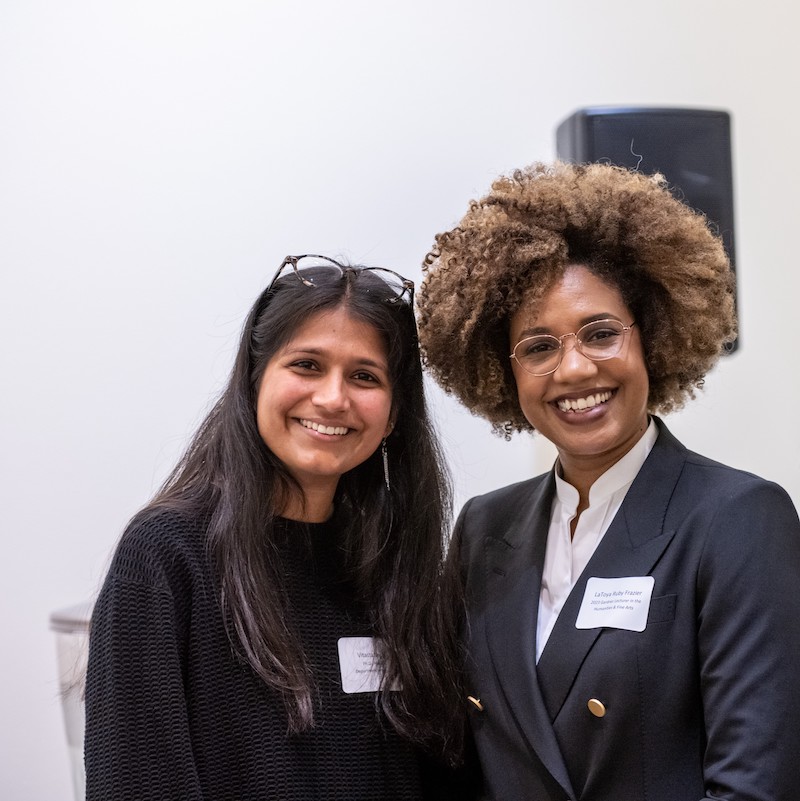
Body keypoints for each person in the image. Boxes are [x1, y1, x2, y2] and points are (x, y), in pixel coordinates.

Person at [417, 163, 800, 801]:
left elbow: (754, 785)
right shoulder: (483, 528)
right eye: (538, 347)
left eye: (600, 334)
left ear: (650, 339)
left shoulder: (739, 518)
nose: (573, 369)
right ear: (501, 372)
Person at [84, 254, 467, 801]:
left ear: (395, 413)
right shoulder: (166, 555)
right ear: (254, 378)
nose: (333, 398)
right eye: (307, 365)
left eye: (364, 376)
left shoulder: (397, 565)